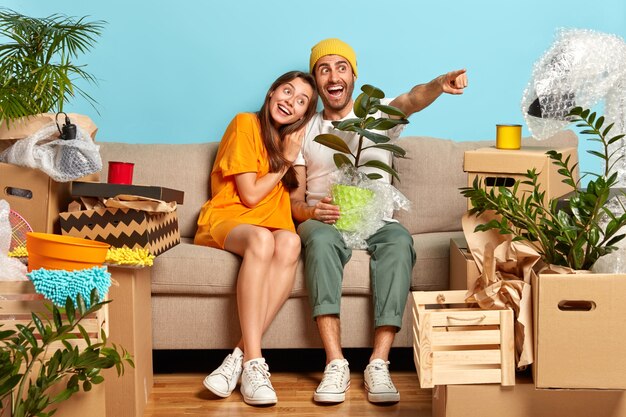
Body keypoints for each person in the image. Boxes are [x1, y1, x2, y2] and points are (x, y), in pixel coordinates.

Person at [290, 38, 468, 404]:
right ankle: (335, 363)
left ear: (354, 76)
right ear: (316, 80)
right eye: (324, 69)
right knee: (320, 243)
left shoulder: (376, 115)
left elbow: (411, 99)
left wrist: (438, 84)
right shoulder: (304, 130)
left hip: (376, 221)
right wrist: (311, 212)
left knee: (400, 241)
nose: (333, 75)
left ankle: (378, 363)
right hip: (325, 220)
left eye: (342, 67)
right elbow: (295, 199)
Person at [194, 70, 318, 406]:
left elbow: (296, 202)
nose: (290, 102)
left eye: (301, 101)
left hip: (272, 225)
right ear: (271, 92)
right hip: (228, 219)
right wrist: (285, 162)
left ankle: (237, 359)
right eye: (287, 91)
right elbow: (248, 195)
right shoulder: (245, 123)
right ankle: (255, 361)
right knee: (263, 240)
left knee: (291, 242)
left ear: (304, 115)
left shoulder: (292, 145)